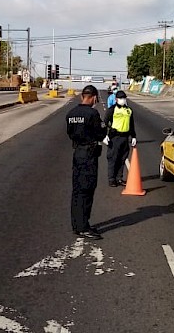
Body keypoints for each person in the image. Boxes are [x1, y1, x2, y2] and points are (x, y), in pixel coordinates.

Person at [66, 85, 106, 240]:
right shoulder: (92, 113)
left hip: (78, 153)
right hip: (89, 155)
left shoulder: (71, 113)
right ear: (94, 97)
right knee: (87, 190)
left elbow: (70, 133)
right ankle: (84, 227)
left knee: (77, 190)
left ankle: (77, 225)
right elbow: (101, 133)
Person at [104, 90, 137, 187]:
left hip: (125, 137)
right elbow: (105, 123)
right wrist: (104, 135)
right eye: (121, 98)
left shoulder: (129, 110)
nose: (123, 100)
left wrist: (134, 136)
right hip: (115, 137)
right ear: (116, 99)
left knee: (122, 158)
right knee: (113, 158)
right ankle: (111, 179)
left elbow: (131, 125)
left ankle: (119, 178)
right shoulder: (112, 110)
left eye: (124, 98)